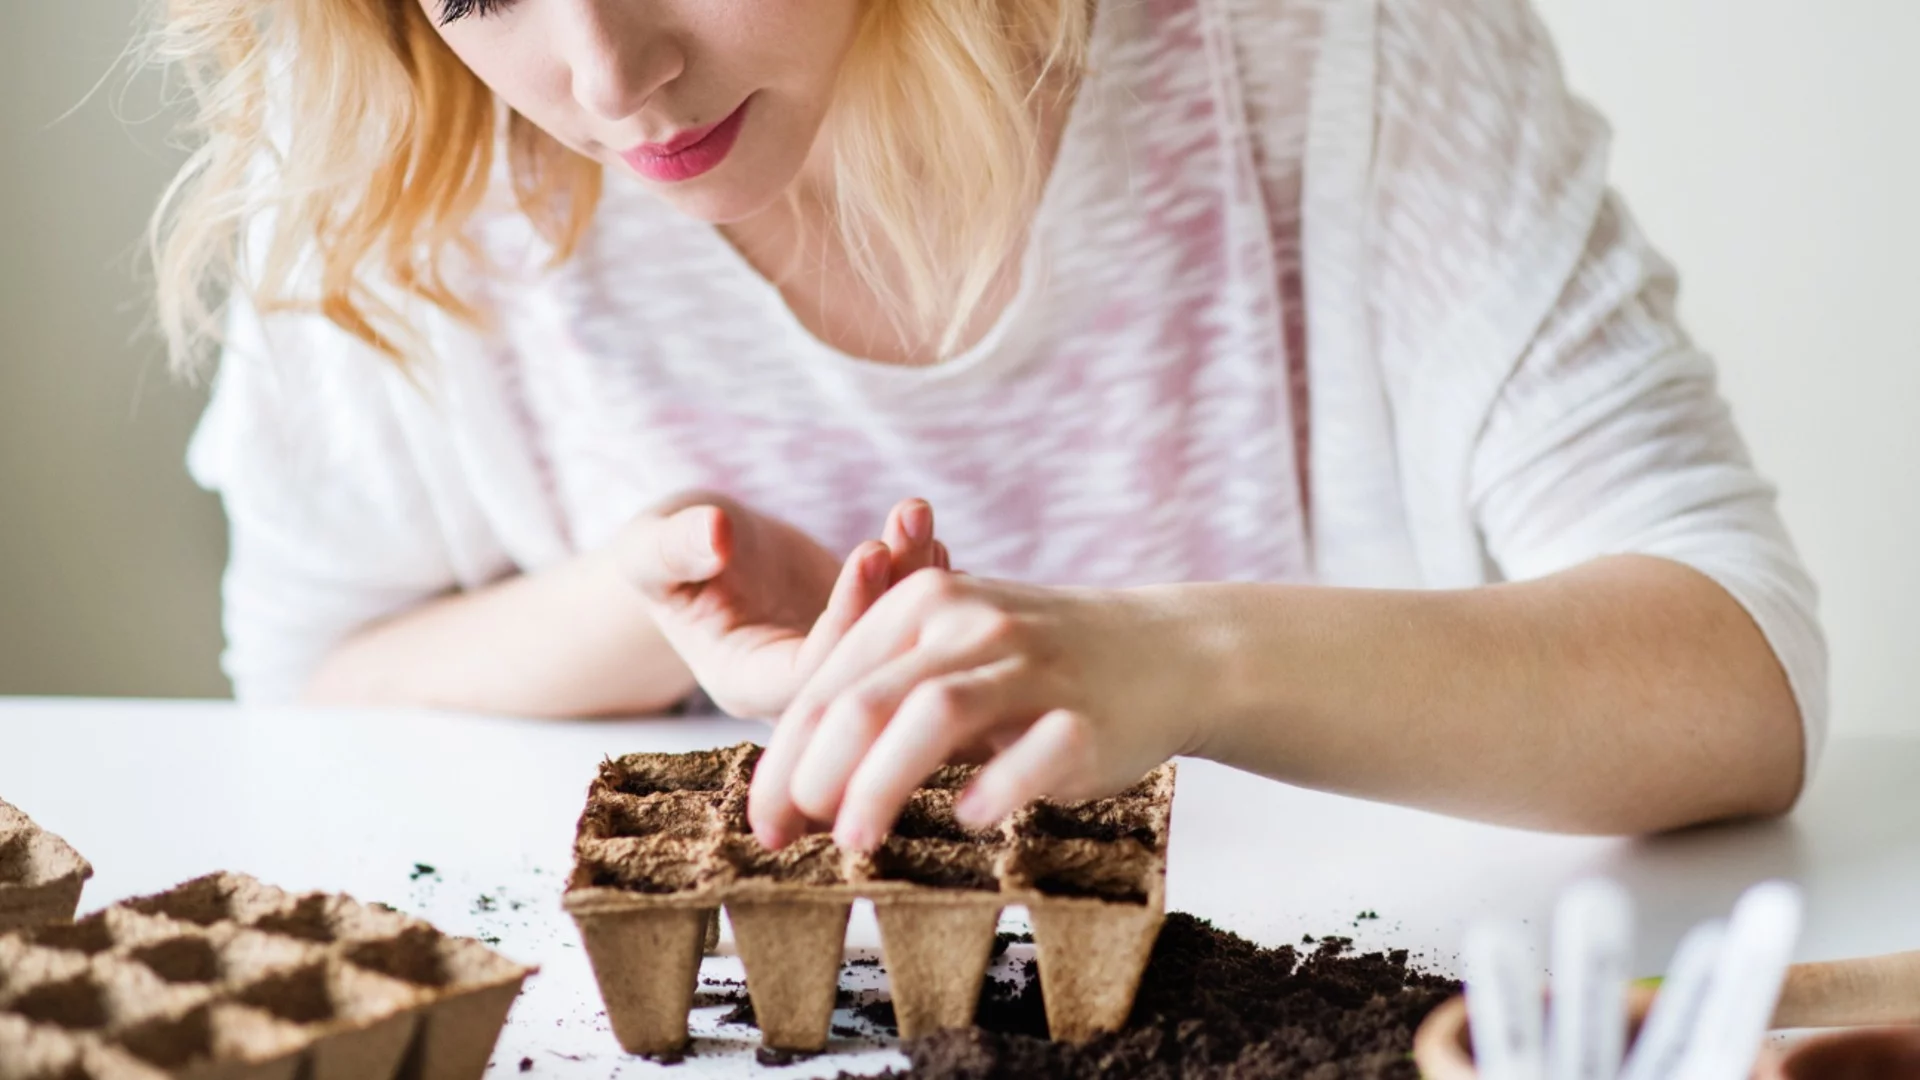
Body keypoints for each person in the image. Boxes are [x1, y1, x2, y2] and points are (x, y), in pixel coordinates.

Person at [154, 0, 1824, 853]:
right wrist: (640, 606)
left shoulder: (1322, 50)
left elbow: (1736, 679)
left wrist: (1179, 663)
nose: (609, 76)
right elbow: (309, 683)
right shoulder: (400, 146)